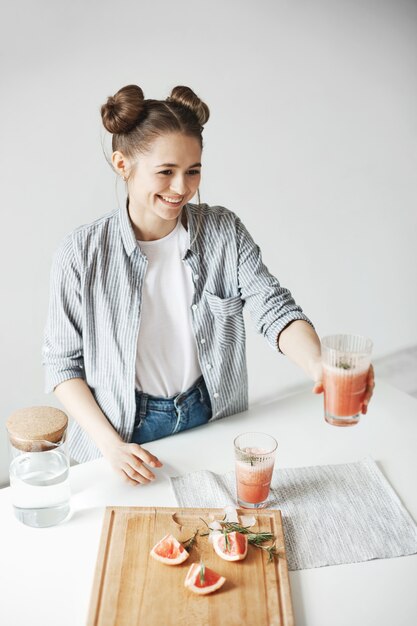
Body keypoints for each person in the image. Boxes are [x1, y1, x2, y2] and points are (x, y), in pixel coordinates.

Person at [42, 84, 375, 485]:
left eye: (193, 171)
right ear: (122, 164)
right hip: (121, 432)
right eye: (166, 172)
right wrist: (110, 445)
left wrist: (319, 365)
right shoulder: (81, 253)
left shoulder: (224, 231)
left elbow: (273, 307)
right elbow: (62, 365)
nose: (181, 188)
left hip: (211, 413)